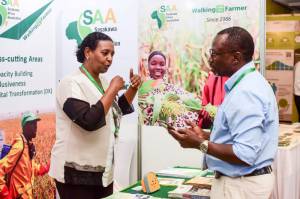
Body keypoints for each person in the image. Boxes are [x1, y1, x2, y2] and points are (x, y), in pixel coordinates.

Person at [167, 27, 279, 199]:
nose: (210, 59)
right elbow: (237, 136)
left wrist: (199, 144)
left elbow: (244, 153)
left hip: (240, 186)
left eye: (215, 53)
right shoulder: (246, 83)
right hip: (241, 183)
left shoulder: (246, 91)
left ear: (235, 57)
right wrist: (204, 135)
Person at [49, 32, 141, 199]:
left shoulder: (103, 82)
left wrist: (132, 89)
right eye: (105, 53)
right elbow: (88, 120)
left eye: (112, 54)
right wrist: (113, 88)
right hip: (75, 176)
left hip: (103, 172)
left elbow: (115, 111)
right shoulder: (70, 83)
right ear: (87, 52)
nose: (110, 58)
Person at [138, 51, 199, 129]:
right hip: (148, 132)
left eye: (162, 64)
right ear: (148, 66)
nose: (158, 67)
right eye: (153, 63)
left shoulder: (174, 89)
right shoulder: (141, 88)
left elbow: (191, 104)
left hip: (171, 135)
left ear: (165, 67)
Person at [0, 112, 50, 199]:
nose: (36, 127)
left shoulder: (28, 145)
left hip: (27, 195)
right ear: (25, 126)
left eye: (36, 123)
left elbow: (28, 168)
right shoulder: (20, 145)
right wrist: (5, 195)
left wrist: (46, 167)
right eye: (32, 124)